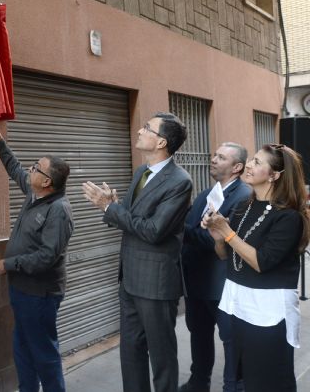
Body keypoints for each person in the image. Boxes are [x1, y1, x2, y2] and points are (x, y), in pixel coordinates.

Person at [83, 112, 192, 392]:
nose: (140, 130)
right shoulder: (141, 172)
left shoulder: (180, 181)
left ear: (161, 143)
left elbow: (154, 230)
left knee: (162, 356)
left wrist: (109, 208)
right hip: (130, 277)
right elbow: (132, 218)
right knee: (130, 352)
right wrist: (114, 206)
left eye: (147, 128)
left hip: (156, 282)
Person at [202, 144, 310, 392]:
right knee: (248, 378)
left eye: (258, 162)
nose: (249, 165)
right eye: (252, 159)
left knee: (270, 380)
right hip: (240, 305)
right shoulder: (244, 207)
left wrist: (227, 232)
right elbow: (225, 257)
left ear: (274, 175)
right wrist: (218, 237)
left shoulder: (289, 217)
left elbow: (262, 261)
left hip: (269, 313)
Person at [0, 120, 74, 392]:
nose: (30, 169)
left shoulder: (58, 210)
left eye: (36, 168)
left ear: (47, 181)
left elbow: (46, 257)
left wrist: (9, 264)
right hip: (22, 291)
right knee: (23, 349)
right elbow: (14, 168)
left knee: (44, 354)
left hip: (40, 295)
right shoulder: (34, 194)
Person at [180, 143, 252, 392]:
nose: (213, 159)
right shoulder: (207, 193)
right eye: (214, 155)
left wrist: (180, 230)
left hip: (221, 284)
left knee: (230, 340)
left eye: (221, 157)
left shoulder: (242, 197)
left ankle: (234, 386)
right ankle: (198, 382)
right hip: (196, 281)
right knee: (199, 336)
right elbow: (195, 227)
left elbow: (217, 240)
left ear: (237, 167)